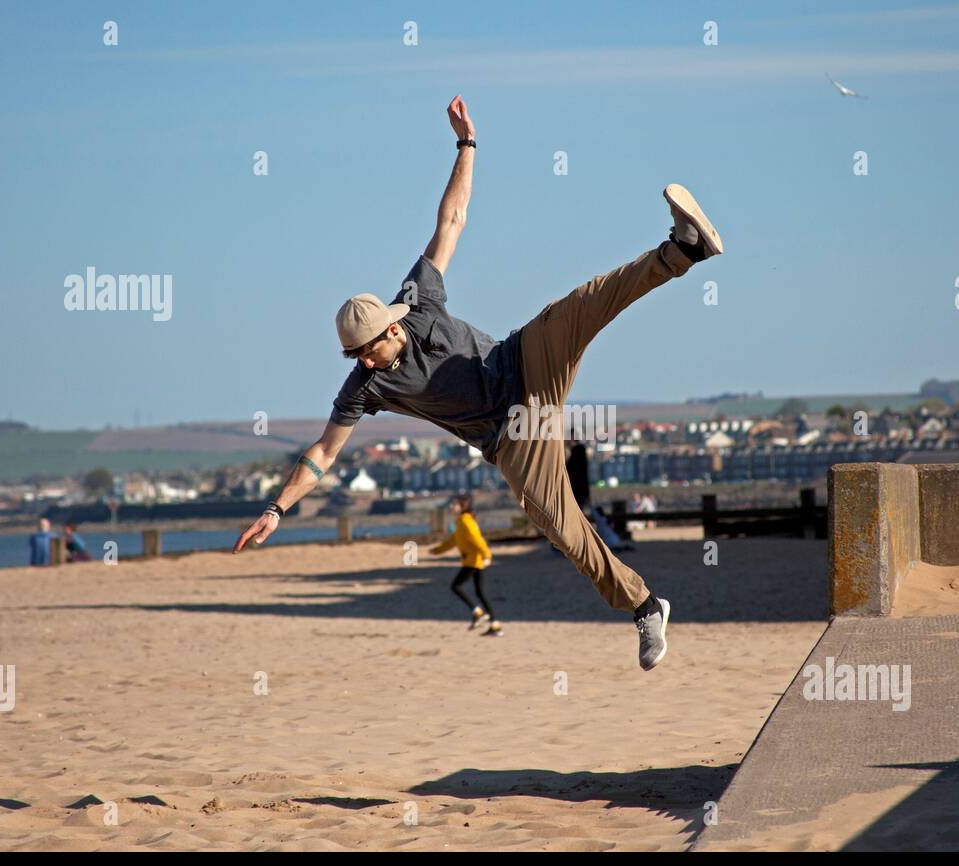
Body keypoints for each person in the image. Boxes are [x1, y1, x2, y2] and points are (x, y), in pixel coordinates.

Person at [234, 94, 723, 671]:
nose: (365, 362)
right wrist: (278, 507)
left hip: (525, 362)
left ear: (392, 326)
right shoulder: (363, 389)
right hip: (511, 434)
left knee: (583, 303)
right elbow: (321, 454)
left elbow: (451, 219)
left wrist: (466, 145)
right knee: (559, 523)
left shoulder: (416, 302)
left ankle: (682, 250)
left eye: (370, 349)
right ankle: (644, 607)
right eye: (356, 356)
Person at [430, 493, 501, 636]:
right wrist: (436, 551)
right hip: (473, 561)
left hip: (473, 562)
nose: (451, 506)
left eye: (454, 504)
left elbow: (478, 540)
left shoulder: (466, 523)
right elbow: (452, 542)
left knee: (455, 586)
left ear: (462, 507)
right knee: (480, 593)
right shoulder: (460, 522)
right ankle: (495, 625)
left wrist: (487, 555)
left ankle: (478, 612)